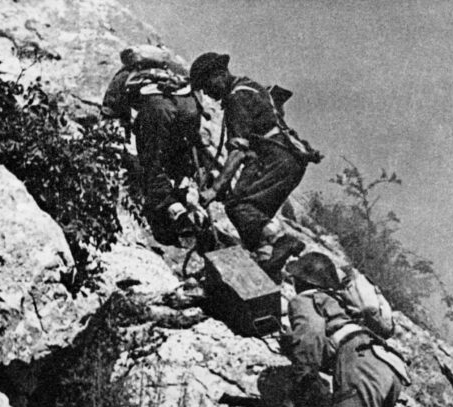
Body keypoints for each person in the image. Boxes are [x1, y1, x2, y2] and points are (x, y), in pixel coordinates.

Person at [282, 252, 408, 407]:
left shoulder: (305, 299)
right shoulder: (337, 303)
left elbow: (310, 336)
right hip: (388, 367)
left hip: (360, 364)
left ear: (301, 281)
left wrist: (302, 383)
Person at [188, 52, 321, 275]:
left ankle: (280, 240)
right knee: (252, 212)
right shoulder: (251, 86)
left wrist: (214, 189)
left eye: (207, 85)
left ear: (220, 75)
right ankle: (267, 261)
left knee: (239, 207)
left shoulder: (236, 98)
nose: (208, 94)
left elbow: (238, 152)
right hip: (288, 159)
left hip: (277, 159)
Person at [102, 57, 212, 246]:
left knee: (151, 159)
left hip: (158, 108)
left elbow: (110, 114)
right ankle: (186, 196)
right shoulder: (177, 71)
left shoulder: (125, 74)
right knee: (178, 156)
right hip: (190, 109)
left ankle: (173, 210)